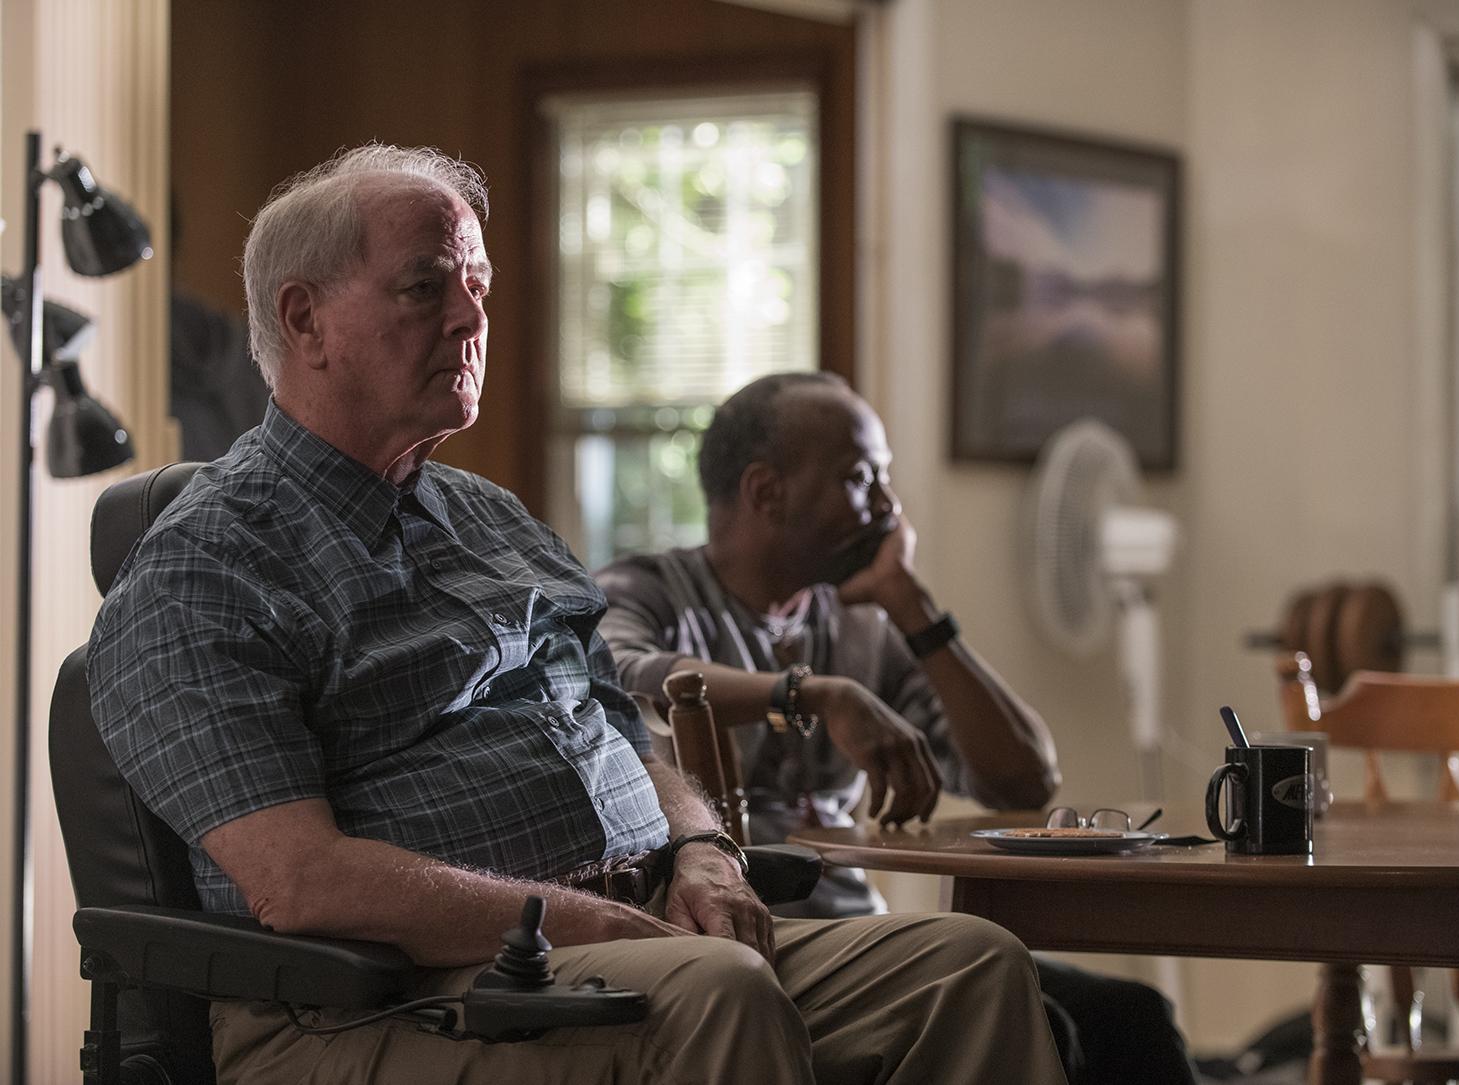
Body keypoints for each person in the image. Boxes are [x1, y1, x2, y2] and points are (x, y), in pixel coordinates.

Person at [87, 145, 1067, 1085]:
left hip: (636, 941)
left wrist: (702, 849)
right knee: (720, 993)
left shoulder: (491, 518)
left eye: (478, 283)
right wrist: (580, 922)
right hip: (380, 1003)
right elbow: (302, 881)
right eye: (427, 286)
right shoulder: (203, 571)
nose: (472, 316)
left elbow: (635, 740)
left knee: (968, 967)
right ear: (305, 321)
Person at [596, 371, 1196, 1085]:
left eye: (885, 478)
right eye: (861, 477)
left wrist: (912, 607)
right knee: (1051, 1022)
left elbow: (1024, 777)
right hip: (737, 945)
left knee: (1134, 1015)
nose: (888, 505)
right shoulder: (647, 592)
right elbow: (615, 673)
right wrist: (812, 694)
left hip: (865, 935)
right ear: (766, 491)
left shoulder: (861, 626)